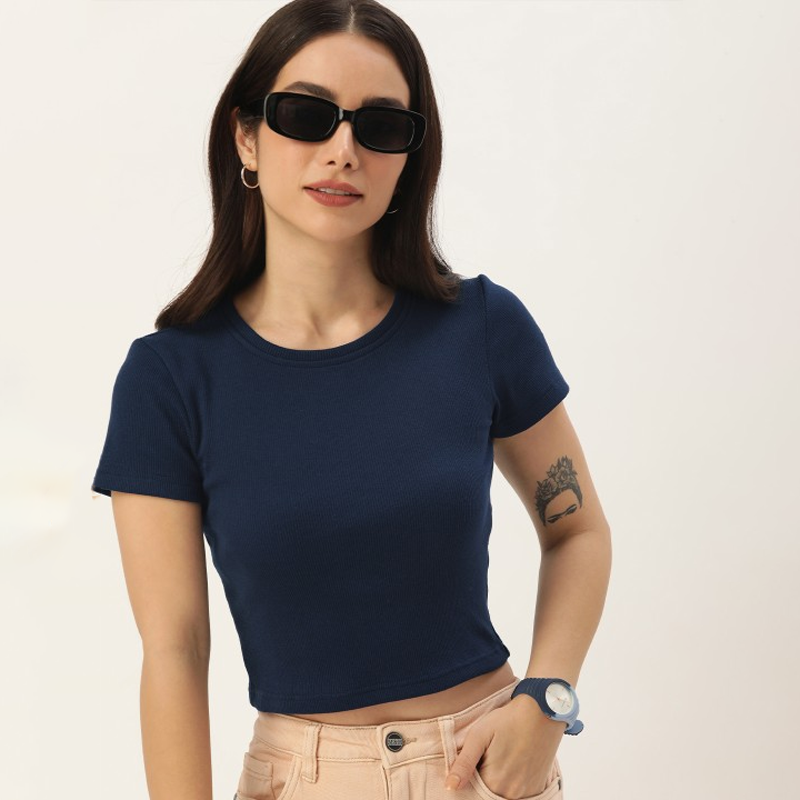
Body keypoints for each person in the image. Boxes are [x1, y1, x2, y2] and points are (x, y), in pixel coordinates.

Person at [90, 1, 612, 799]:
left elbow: (577, 529)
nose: (343, 150)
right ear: (246, 137)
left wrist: (547, 700)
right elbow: (175, 649)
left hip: (484, 767)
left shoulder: (482, 328)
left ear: (408, 157)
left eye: (381, 126)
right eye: (306, 116)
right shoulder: (170, 378)